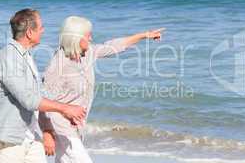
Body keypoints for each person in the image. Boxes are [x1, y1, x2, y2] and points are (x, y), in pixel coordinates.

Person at [39, 16, 164, 163]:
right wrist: (47, 133)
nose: (91, 38)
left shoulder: (87, 54)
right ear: (75, 38)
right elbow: (42, 101)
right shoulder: (57, 65)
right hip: (59, 126)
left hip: (76, 127)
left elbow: (114, 46)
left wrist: (143, 35)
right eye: (87, 35)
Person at [0, 9, 86, 163]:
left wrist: (64, 111)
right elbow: (28, 99)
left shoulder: (25, 55)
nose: (43, 30)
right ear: (29, 33)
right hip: (10, 137)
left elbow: (40, 91)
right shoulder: (9, 57)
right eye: (40, 27)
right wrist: (64, 108)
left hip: (30, 135)